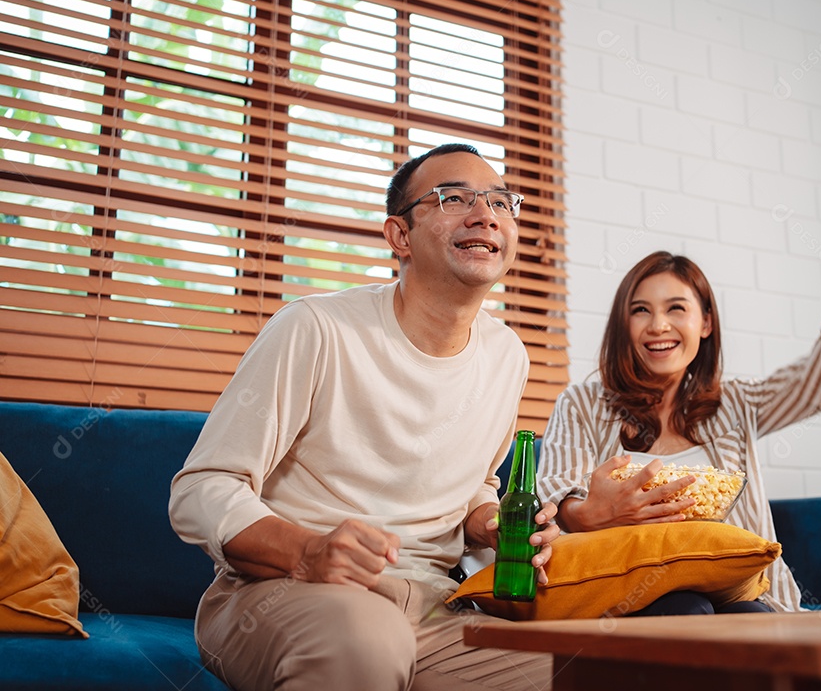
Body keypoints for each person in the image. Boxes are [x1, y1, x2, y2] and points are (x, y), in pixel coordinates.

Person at [169, 143, 559, 690]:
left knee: (595, 669)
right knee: (367, 641)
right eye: (454, 198)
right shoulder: (315, 328)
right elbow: (202, 488)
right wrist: (308, 551)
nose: (484, 215)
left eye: (499, 201)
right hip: (283, 593)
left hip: (433, 607)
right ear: (399, 236)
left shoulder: (507, 356)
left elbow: (476, 486)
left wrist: (492, 526)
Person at [538, 187, 821, 613]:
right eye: (640, 310)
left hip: (743, 594)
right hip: (630, 597)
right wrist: (587, 513)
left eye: (676, 309)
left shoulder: (736, 404)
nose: (658, 325)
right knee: (687, 610)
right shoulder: (582, 404)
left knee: (748, 616)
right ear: (623, 325)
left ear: (705, 323)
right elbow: (553, 498)